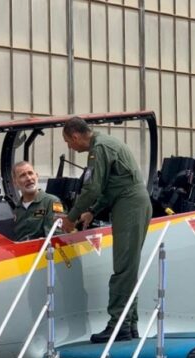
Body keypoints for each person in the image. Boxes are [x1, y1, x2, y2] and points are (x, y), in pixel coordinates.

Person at [61, 117, 152, 343]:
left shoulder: (99, 148)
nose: (69, 147)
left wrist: (70, 218)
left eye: (68, 142)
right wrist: (92, 211)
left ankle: (118, 325)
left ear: (75, 136)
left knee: (123, 267)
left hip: (129, 205)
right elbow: (111, 186)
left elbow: (93, 188)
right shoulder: (105, 143)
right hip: (129, 202)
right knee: (128, 267)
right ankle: (128, 325)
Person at [12, 160, 65, 241]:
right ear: (15, 183)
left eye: (30, 173)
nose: (29, 178)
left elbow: (56, 235)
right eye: (22, 175)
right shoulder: (16, 211)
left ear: (36, 176)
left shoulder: (54, 202)